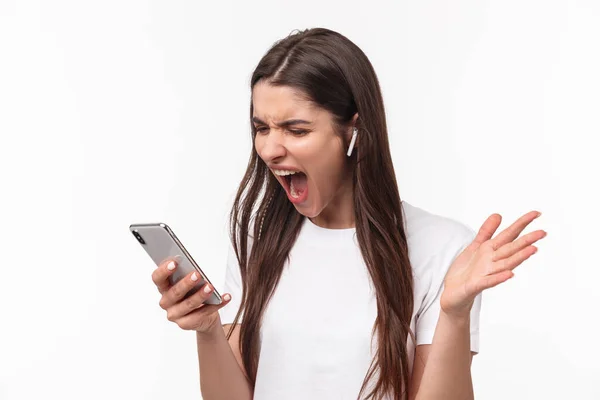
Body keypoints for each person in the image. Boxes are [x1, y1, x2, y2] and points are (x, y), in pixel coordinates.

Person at [151, 28, 546, 400]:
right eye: (261, 127)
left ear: (353, 131)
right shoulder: (260, 238)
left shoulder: (441, 246)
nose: (270, 149)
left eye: (296, 129)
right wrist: (207, 332)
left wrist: (455, 315)